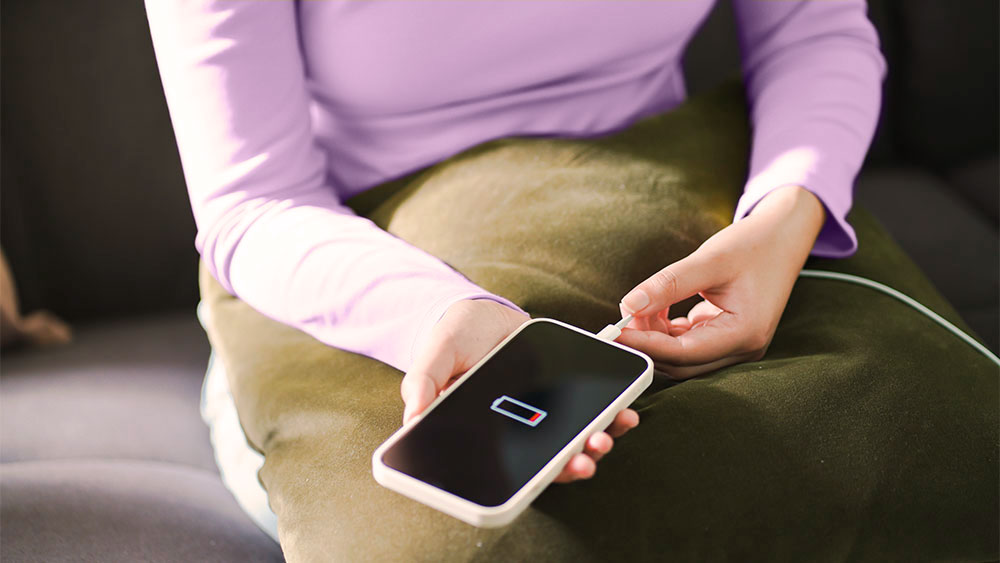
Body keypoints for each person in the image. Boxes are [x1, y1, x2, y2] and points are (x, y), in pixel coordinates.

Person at [145, 0, 885, 551]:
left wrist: (787, 212)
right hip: (352, 263)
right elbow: (253, 201)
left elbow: (814, 29)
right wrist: (436, 314)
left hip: (680, 194)